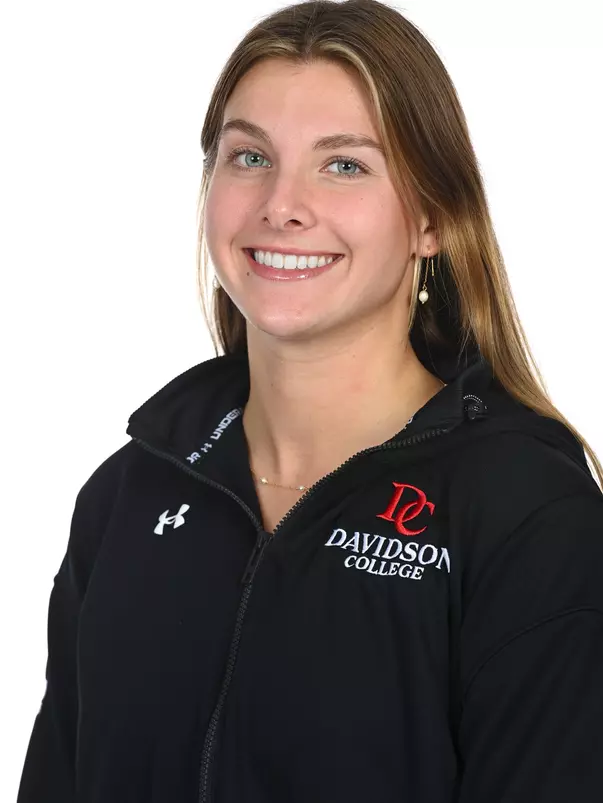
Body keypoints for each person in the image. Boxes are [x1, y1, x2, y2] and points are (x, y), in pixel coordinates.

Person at [17, 1, 603, 801]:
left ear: (433, 216)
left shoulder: (526, 511)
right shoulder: (128, 496)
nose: (281, 204)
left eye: (344, 165)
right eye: (249, 157)